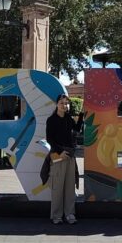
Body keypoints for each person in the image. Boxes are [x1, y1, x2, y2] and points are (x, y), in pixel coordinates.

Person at [45, 94, 83, 225]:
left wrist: (82, 115)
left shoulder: (68, 118)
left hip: (70, 156)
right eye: (62, 103)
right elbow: (50, 139)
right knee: (57, 188)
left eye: (66, 103)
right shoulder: (51, 120)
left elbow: (77, 129)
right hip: (58, 156)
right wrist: (60, 152)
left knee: (69, 187)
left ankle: (70, 214)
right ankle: (56, 215)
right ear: (57, 104)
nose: (64, 105)